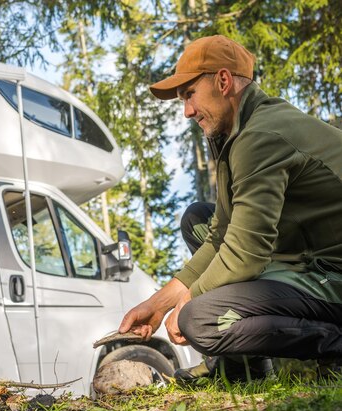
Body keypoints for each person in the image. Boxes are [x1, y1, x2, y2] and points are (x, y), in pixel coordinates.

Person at [118, 34, 342, 381]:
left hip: (333, 274)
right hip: (308, 257)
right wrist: (157, 306)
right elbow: (222, 234)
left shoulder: (260, 136)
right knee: (198, 219)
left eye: (189, 95)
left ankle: (336, 347)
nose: (187, 111)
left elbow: (247, 252)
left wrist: (188, 302)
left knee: (199, 320)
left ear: (223, 81)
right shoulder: (243, 130)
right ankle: (245, 369)